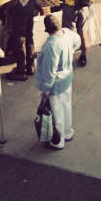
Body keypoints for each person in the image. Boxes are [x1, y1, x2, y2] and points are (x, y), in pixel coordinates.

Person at [35, 13, 81, 149]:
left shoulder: (51, 45)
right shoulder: (67, 33)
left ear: (47, 30)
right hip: (67, 78)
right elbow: (77, 41)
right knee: (66, 106)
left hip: (56, 84)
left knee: (56, 112)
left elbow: (50, 72)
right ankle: (68, 132)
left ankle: (58, 141)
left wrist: (45, 90)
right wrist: (71, 50)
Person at [5, 0, 39, 81]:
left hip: (20, 6)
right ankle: (30, 67)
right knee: (29, 37)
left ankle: (21, 71)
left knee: (19, 39)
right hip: (30, 4)